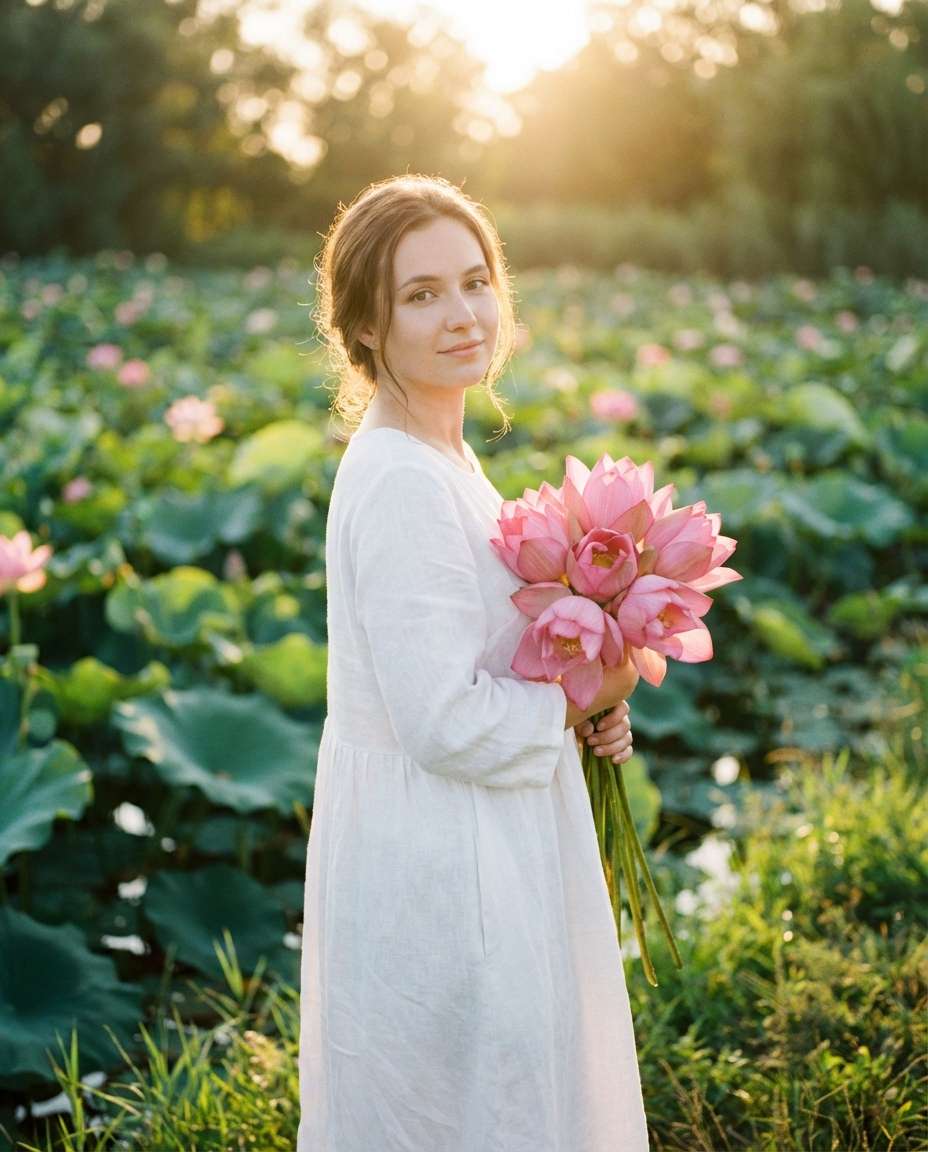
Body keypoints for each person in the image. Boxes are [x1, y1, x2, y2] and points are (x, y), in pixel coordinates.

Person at [297, 173, 650, 1151]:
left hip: (479, 831)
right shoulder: (400, 479)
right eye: (421, 294)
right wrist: (594, 682)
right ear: (365, 328)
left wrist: (582, 708)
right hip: (437, 859)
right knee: (464, 1109)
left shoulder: (442, 454)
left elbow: (489, 661)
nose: (463, 315)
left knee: (504, 1098)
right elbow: (444, 720)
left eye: (474, 280)